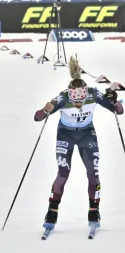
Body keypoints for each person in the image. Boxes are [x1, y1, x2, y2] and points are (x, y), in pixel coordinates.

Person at [34, 55, 124, 232]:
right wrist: (46, 110)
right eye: (74, 101)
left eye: (80, 101)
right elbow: (37, 117)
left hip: (86, 134)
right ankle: (52, 212)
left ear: (85, 95)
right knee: (63, 173)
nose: (77, 104)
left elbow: (118, 111)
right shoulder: (62, 98)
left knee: (93, 172)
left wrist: (114, 101)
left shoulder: (93, 94)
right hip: (65, 135)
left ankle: (94, 211)